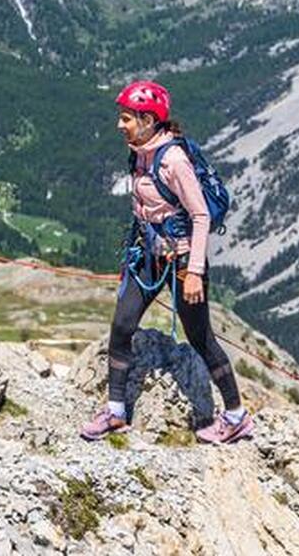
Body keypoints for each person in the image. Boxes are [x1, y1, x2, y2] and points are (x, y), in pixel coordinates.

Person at [79, 80, 253, 444]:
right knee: (122, 325)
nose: (119, 125)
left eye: (126, 118)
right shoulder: (139, 150)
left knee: (200, 336)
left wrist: (194, 272)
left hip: (182, 258)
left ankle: (236, 416)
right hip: (148, 253)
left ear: (147, 120)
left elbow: (201, 215)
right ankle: (115, 411)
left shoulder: (173, 160)